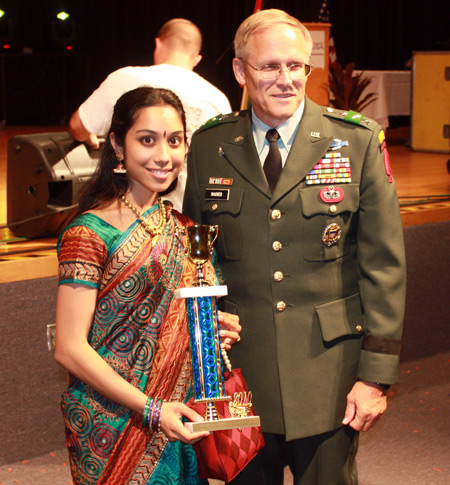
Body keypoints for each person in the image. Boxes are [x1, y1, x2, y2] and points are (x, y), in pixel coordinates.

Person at [183, 9, 406, 484]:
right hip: (240, 376)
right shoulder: (208, 146)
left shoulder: (355, 141)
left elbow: (384, 268)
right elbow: (196, 259)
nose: (286, 80)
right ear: (241, 71)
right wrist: (200, 354)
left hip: (330, 379)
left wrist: (375, 377)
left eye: (296, 66)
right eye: (269, 67)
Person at [55, 86, 240, 484]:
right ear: (118, 147)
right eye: (147, 140)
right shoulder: (89, 234)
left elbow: (185, 318)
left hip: (178, 417)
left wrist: (211, 331)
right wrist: (152, 409)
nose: (163, 155)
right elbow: (69, 349)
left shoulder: (185, 229)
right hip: (111, 420)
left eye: (174, 141)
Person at [69, 18, 232, 210]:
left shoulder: (124, 79)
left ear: (157, 44)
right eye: (147, 140)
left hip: (128, 211)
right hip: (191, 213)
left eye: (174, 141)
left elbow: (77, 126)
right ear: (197, 58)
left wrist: (89, 137)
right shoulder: (217, 99)